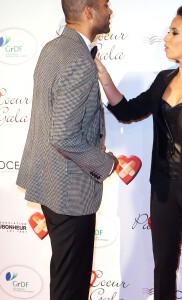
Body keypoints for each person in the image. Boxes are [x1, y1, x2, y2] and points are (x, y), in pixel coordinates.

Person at [96, 3, 182, 300]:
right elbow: (127, 111)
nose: (166, 38)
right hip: (162, 186)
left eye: (174, 32)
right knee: (162, 267)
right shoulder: (163, 79)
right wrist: (105, 78)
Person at [16, 1, 117, 299]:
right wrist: (106, 163)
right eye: (105, 4)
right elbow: (63, 135)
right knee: (71, 286)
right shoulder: (78, 60)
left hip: (50, 183)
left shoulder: (53, 48)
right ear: (88, 11)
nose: (110, 11)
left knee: (65, 279)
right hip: (70, 191)